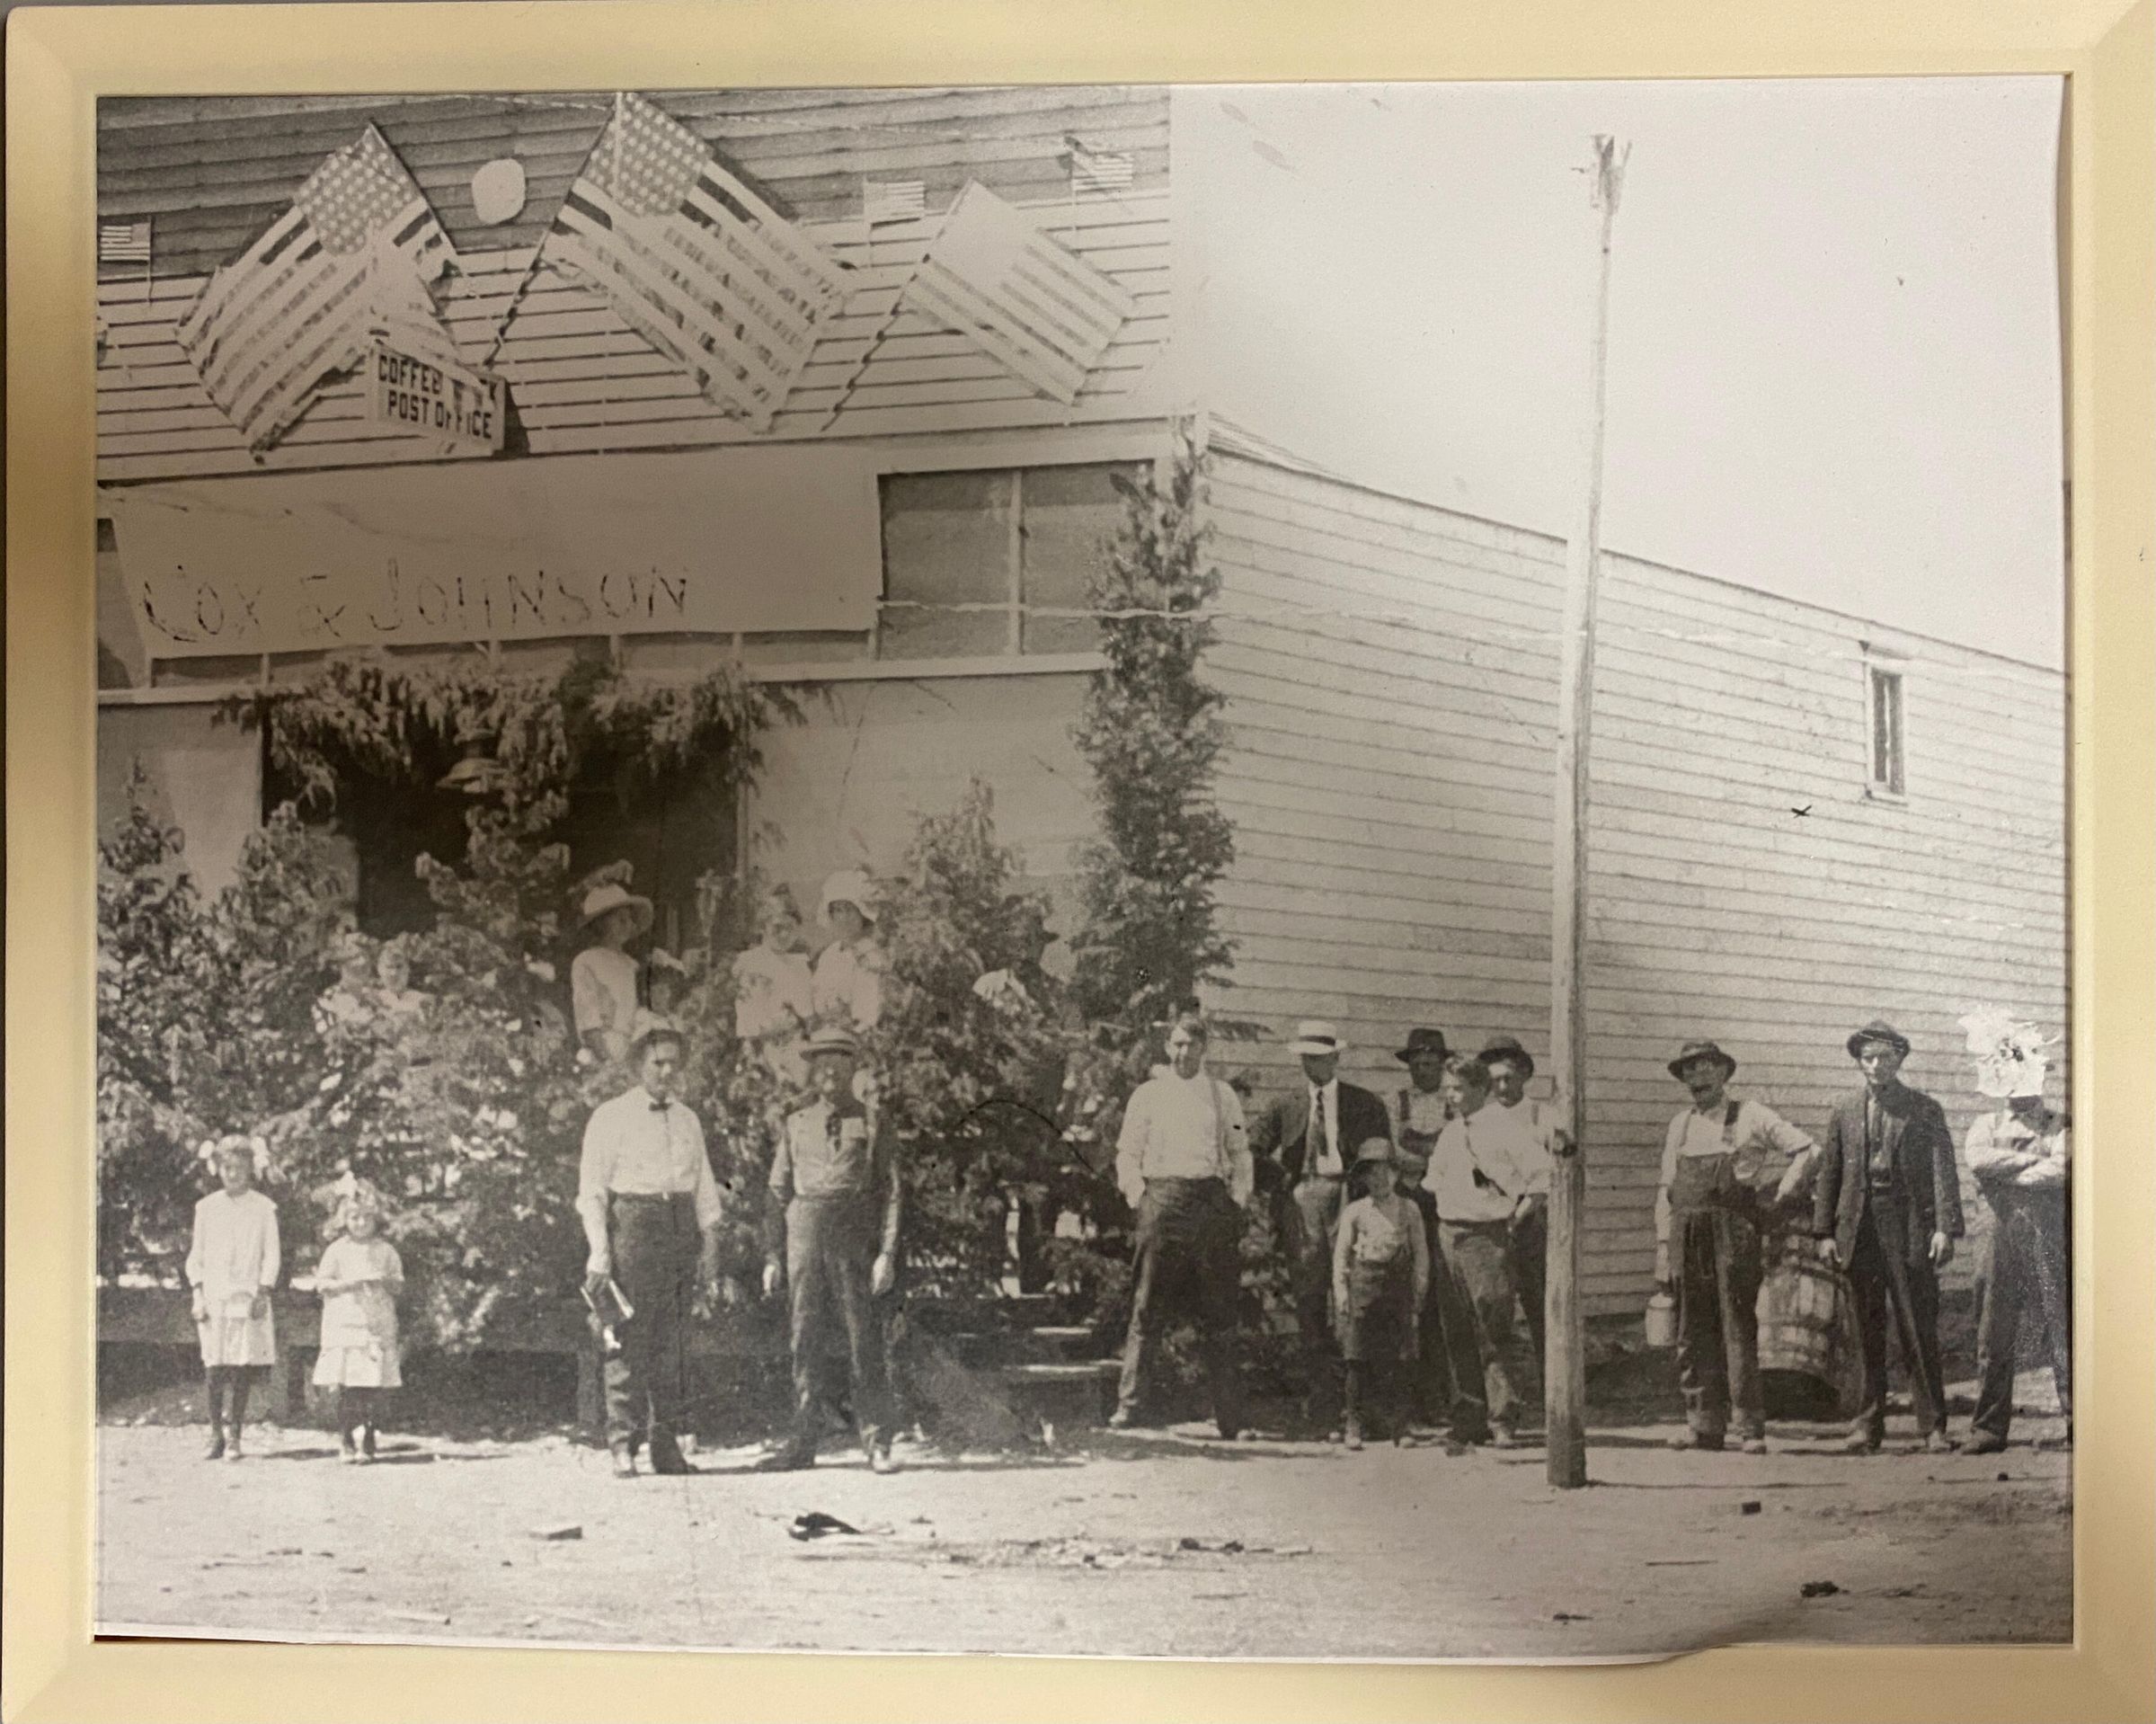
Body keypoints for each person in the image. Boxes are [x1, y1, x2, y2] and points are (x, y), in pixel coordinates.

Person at [577, 1011, 725, 1478]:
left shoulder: (688, 1120)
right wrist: (600, 1252)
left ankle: (666, 1447)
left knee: (672, 1344)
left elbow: (704, 1186)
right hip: (634, 1230)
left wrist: (711, 1245)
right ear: (638, 1064)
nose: (666, 1071)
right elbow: (592, 1192)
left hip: (679, 1229)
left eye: (674, 1063)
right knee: (626, 1338)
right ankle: (622, 1443)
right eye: (658, 1062)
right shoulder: (611, 1117)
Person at [1653, 1039, 1817, 1453]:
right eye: (1690, 1070)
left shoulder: (1750, 1115)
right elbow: (1666, 1190)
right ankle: (1703, 1425)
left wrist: (1780, 1197)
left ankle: (1748, 1427)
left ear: (1724, 1073)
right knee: (1691, 1330)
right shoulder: (1680, 1125)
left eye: (1707, 1067)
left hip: (1733, 1233)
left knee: (1736, 1327)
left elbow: (1807, 1150)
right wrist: (1663, 1246)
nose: (1698, 1077)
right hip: (1686, 1233)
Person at [1812, 1018, 1965, 1454]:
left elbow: (1943, 1170)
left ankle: (1932, 1427)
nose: (1876, 1065)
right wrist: (1824, 1232)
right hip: (1858, 1228)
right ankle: (1866, 1424)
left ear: (1899, 1059)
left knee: (1917, 1325)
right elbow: (1830, 1173)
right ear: (1859, 1063)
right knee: (1864, 1330)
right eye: (1868, 1058)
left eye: (1884, 1057)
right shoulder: (1844, 1110)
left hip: (1909, 1227)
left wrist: (1944, 1228)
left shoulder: (1923, 1109)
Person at [760, 1026, 903, 1472]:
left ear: (853, 1067)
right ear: (812, 1069)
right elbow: (777, 1193)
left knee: (863, 1337)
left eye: (839, 1062)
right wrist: (772, 1255)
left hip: (852, 1231)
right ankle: (802, 1443)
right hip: (804, 1230)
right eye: (821, 1062)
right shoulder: (796, 1122)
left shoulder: (874, 1121)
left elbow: (892, 1192)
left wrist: (886, 1253)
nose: (829, 1071)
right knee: (805, 1336)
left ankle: (877, 1442)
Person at [1108, 1012, 1255, 1438]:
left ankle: (1230, 1417)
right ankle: (1130, 1406)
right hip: (1162, 1202)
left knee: (1219, 1312)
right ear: (1167, 1046)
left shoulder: (1222, 1096)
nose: (1183, 1053)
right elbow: (1127, 1153)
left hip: (1209, 1203)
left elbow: (1240, 1151)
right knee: (1147, 1306)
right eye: (1176, 1044)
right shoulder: (1148, 1095)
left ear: (1204, 1048)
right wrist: (1139, 1197)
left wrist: (1237, 1200)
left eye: (1191, 1045)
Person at [1252, 1020, 1392, 1435]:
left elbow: (1380, 1153)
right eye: (1306, 1058)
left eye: (1320, 1057)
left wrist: (1366, 1196)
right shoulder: (1286, 1105)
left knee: (1357, 1295)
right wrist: (1282, 1181)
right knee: (1311, 1301)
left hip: (1350, 1198)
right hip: (1303, 1201)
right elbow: (1251, 1145)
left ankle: (1362, 1408)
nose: (1313, 1065)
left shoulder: (1363, 1103)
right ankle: (1323, 1407)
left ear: (1336, 1057)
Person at [1959, 1018, 2071, 1454]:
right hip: (1995, 1233)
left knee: (2062, 1325)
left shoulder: (2061, 1124)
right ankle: (1988, 1429)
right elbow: (1978, 1161)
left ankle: (2078, 1422)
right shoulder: (1984, 1125)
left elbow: (2061, 1168)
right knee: (1993, 1330)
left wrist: (2010, 1176)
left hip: (2047, 1232)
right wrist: (2030, 1164)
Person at [1423, 1056, 1540, 1447]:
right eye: (1448, 1088)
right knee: (1457, 1329)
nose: (1450, 1095)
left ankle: (1503, 1418)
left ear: (1479, 1089)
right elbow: (1434, 1180)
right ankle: (1469, 1420)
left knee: (1494, 1327)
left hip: (1487, 1238)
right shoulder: (1451, 1132)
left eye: (1457, 1088)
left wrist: (1514, 1219)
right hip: (1449, 1235)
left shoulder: (1504, 1126)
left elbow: (1542, 1176)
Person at [186, 1135, 281, 1462]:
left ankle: (235, 1435)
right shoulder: (206, 1208)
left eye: (239, 1168)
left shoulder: (263, 1208)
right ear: (218, 1169)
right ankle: (215, 1433)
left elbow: (271, 1254)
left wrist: (263, 1291)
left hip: (247, 1297)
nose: (233, 1174)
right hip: (214, 1298)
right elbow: (196, 1256)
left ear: (250, 1169)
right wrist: (198, 1294)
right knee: (214, 1367)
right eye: (227, 1167)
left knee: (241, 1367)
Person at [1477, 1035, 1568, 1367]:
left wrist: (1523, 1214)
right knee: (1492, 1306)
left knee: (1541, 1305)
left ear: (1524, 1075)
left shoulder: (1543, 1116)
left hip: (1533, 1223)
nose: (1502, 1087)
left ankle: (1550, 1382)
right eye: (1495, 1080)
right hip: (1492, 1223)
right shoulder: (1480, 1118)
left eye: (1509, 1078)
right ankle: (1500, 1386)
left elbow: (1555, 1172)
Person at [1333, 1139, 1430, 1450]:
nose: (1379, 1180)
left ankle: (1400, 1425)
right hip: (1363, 1287)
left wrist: (1420, 1288)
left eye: (1385, 1172)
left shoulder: (1409, 1209)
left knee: (1400, 1358)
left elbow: (1421, 1253)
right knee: (1357, 1358)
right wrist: (1341, 1291)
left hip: (1398, 1289)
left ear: (1396, 1174)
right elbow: (1341, 1255)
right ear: (1363, 1179)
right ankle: (1354, 1424)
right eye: (1371, 1174)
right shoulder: (1355, 1211)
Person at [1390, 1026, 1457, 1430]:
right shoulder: (1397, 1102)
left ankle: (1440, 1397)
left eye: (1431, 1064)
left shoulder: (1455, 1100)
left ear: (1442, 1065)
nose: (1423, 1071)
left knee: (1440, 1298)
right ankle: (1405, 1399)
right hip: (1407, 1201)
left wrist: (1427, 1160)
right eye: (1417, 1064)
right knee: (1406, 1292)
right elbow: (1394, 1153)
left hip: (1444, 1204)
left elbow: (1457, 1151)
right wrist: (1430, 1158)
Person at [310, 1179, 405, 1463]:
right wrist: (348, 1284)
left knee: (372, 1386)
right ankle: (346, 1438)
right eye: (354, 1217)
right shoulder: (337, 1250)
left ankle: (369, 1437)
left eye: (367, 1217)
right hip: (345, 1324)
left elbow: (398, 1284)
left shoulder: (385, 1251)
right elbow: (322, 1284)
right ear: (344, 1219)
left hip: (375, 1325)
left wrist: (383, 1281)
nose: (361, 1223)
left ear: (376, 1219)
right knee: (348, 1386)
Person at [733, 884, 816, 1082]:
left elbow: (807, 1015)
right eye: (777, 928)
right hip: (762, 1049)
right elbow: (748, 1021)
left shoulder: (801, 965)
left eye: (790, 928)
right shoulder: (750, 962)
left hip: (798, 1049)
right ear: (763, 927)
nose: (784, 934)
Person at [572, 878, 654, 1068]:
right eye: (620, 919)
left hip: (635, 1044)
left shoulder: (631, 965)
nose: (627, 924)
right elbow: (588, 1017)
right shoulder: (586, 960)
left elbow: (637, 1008)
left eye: (629, 919)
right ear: (600, 924)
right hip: (605, 1045)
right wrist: (607, 1061)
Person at [811, 869, 884, 1035]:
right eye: (838, 910)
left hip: (859, 1036)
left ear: (862, 913)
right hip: (828, 1034)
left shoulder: (871, 955)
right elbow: (818, 999)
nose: (844, 917)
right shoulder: (829, 954)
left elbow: (868, 1013)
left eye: (849, 909)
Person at [315, 929, 379, 1034]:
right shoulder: (327, 1001)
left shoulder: (382, 991)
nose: (362, 962)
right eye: (353, 958)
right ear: (337, 966)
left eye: (365, 955)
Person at [372, 937, 429, 1021]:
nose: (394, 973)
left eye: (399, 967)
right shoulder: (373, 1000)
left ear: (408, 968)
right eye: (389, 967)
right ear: (379, 970)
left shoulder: (421, 1000)